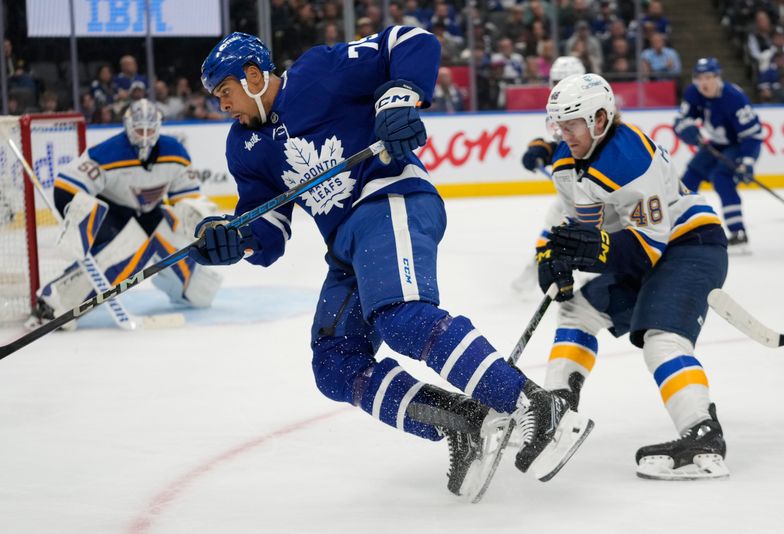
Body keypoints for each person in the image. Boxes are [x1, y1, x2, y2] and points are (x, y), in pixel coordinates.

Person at [193, 29, 593, 499]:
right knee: (335, 365)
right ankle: (464, 423)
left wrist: (398, 97)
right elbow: (268, 228)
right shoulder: (243, 147)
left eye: (225, 91)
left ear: (254, 75)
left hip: (390, 198)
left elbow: (410, 39)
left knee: (401, 316)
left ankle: (533, 405)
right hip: (346, 243)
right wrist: (233, 239)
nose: (221, 105)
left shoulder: (318, 70)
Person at [530, 72, 730, 480]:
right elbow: (584, 226)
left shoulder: (630, 157)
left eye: (571, 124)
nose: (563, 134)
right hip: (648, 250)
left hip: (689, 245)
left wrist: (595, 249)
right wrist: (556, 256)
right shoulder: (566, 164)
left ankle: (703, 438)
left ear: (600, 119)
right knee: (575, 312)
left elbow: (645, 250)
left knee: (661, 338)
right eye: (559, 125)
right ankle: (556, 409)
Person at [28, 100, 221, 330]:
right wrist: (79, 216)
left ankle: (179, 286)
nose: (145, 136)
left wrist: (195, 218)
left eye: (150, 130)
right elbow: (66, 187)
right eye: (140, 130)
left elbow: (187, 197)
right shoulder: (107, 152)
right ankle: (54, 302)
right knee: (123, 251)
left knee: (200, 293)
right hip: (113, 216)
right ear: (129, 127)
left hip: (151, 214)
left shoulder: (176, 152)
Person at [511, 56, 585, 296]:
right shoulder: (556, 112)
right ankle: (539, 273)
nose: (559, 87)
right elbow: (564, 145)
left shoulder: (589, 109)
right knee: (555, 225)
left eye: (565, 81)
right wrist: (541, 148)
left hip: (595, 189)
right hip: (575, 190)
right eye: (556, 81)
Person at [673, 57, 763, 249]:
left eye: (708, 77)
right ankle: (678, 227)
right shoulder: (693, 92)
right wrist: (685, 129)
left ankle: (738, 232)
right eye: (699, 78)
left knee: (722, 178)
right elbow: (681, 120)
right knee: (689, 178)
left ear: (718, 77)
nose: (703, 82)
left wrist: (747, 162)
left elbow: (753, 135)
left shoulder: (734, 98)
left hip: (738, 144)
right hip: (716, 143)